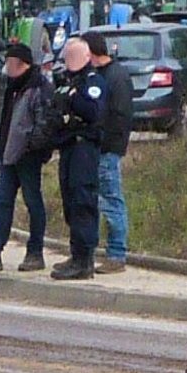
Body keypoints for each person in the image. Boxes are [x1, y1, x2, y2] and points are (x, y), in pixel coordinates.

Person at [0, 42, 54, 273]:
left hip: (27, 157)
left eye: (9, 64)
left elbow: (44, 125)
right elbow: (6, 124)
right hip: (9, 156)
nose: (6, 68)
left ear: (20, 65)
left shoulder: (39, 88)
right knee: (3, 204)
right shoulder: (13, 87)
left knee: (33, 203)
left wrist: (29, 147)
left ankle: (35, 252)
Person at [52, 39, 107, 281]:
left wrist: (73, 99)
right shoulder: (67, 81)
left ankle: (85, 260)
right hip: (68, 147)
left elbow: (93, 112)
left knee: (83, 200)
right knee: (70, 201)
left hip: (84, 148)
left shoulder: (93, 82)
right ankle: (76, 254)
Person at [85, 32, 133, 274]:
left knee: (112, 199)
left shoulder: (116, 77)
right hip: (97, 148)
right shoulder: (100, 75)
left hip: (108, 149)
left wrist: (105, 141)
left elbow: (119, 116)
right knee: (100, 200)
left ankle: (117, 254)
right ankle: (104, 251)